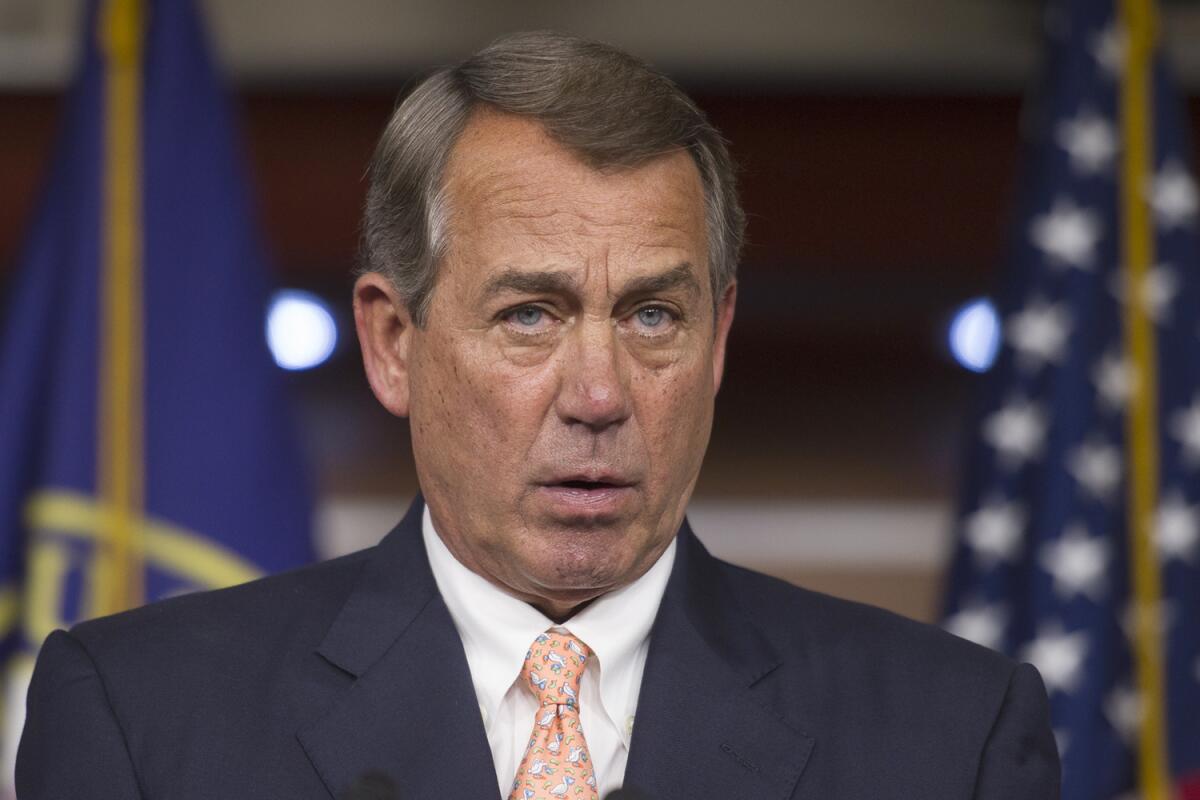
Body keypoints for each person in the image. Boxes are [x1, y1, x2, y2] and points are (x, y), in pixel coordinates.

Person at [16, 31, 1060, 800]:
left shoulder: (950, 737)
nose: (599, 396)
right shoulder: (141, 717)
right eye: (530, 314)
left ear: (719, 338)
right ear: (393, 340)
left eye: (653, 314)